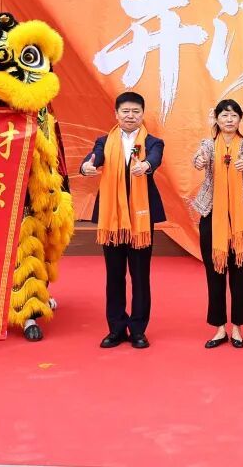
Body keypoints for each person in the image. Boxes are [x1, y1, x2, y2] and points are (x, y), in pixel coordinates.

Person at [80, 91, 166, 348]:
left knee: (140, 276)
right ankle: (116, 329)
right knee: (114, 276)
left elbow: (155, 158)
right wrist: (86, 166)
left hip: (141, 218)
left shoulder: (153, 142)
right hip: (112, 218)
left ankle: (138, 330)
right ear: (116, 114)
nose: (130, 116)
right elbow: (94, 158)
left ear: (142, 114)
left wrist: (146, 166)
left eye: (135, 111)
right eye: (125, 111)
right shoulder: (104, 141)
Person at [189, 99, 243, 349]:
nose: (229, 120)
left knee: (240, 274)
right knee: (215, 273)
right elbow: (200, 157)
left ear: (240, 119)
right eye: (224, 115)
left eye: (233, 116)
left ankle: (237, 328)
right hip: (212, 214)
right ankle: (219, 328)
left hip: (241, 215)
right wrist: (199, 160)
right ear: (217, 119)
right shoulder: (208, 144)